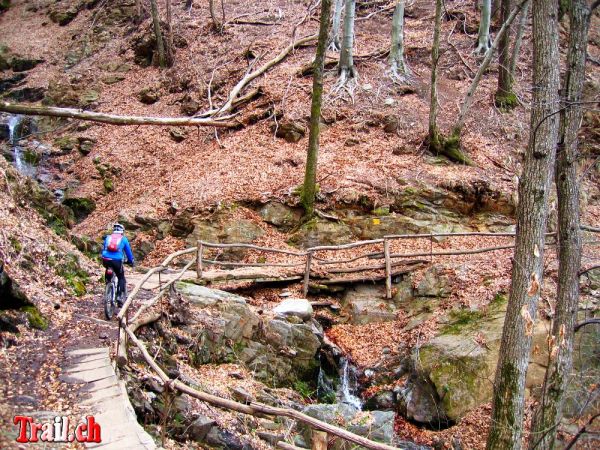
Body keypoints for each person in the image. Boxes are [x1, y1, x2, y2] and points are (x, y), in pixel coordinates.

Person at [101, 223, 134, 306]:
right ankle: (119, 297)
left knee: (108, 269)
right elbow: (128, 252)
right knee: (121, 277)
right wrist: (131, 261)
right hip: (117, 261)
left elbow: (104, 248)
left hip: (106, 260)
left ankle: (108, 285)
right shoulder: (124, 239)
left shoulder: (108, 237)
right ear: (122, 231)